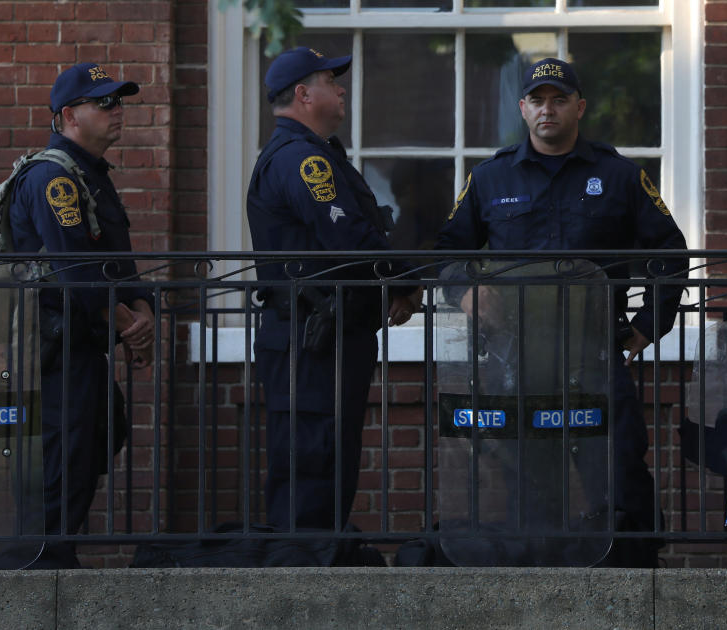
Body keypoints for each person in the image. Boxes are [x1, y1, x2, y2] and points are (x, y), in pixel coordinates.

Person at [436, 57, 688, 566]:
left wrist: (646, 327)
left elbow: (671, 253)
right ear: (522, 108)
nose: (547, 109)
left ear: (579, 107)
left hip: (596, 353)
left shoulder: (619, 176)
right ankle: (539, 587)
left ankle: (635, 582)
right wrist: (465, 291)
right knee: (531, 480)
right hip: (516, 361)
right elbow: (444, 254)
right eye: (537, 100)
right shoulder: (489, 178)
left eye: (559, 99)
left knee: (616, 473)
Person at [247, 47, 419, 533]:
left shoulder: (319, 155)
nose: (340, 88)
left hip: (328, 334)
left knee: (329, 458)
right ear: (303, 94)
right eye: (329, 80)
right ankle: (302, 578)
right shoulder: (303, 160)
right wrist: (410, 279)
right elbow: (347, 237)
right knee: (312, 462)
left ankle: (316, 562)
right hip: (311, 337)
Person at [7, 63, 155, 568]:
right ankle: (41, 563)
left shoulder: (92, 177)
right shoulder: (54, 177)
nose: (119, 112)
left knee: (96, 438)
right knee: (62, 456)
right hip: (50, 352)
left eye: (120, 102)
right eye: (106, 103)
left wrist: (141, 310)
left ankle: (55, 551)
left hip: (86, 343)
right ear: (69, 115)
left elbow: (119, 264)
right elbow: (78, 270)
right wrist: (128, 324)